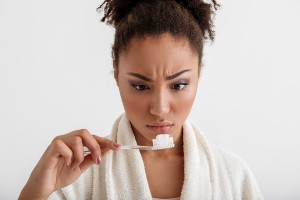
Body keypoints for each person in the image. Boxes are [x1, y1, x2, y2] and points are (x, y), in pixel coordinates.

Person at [19, 0, 264, 199]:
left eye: (178, 85)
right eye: (140, 86)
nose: (159, 108)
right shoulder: (77, 178)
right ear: (116, 74)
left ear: (198, 75)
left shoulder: (233, 176)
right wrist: (37, 191)